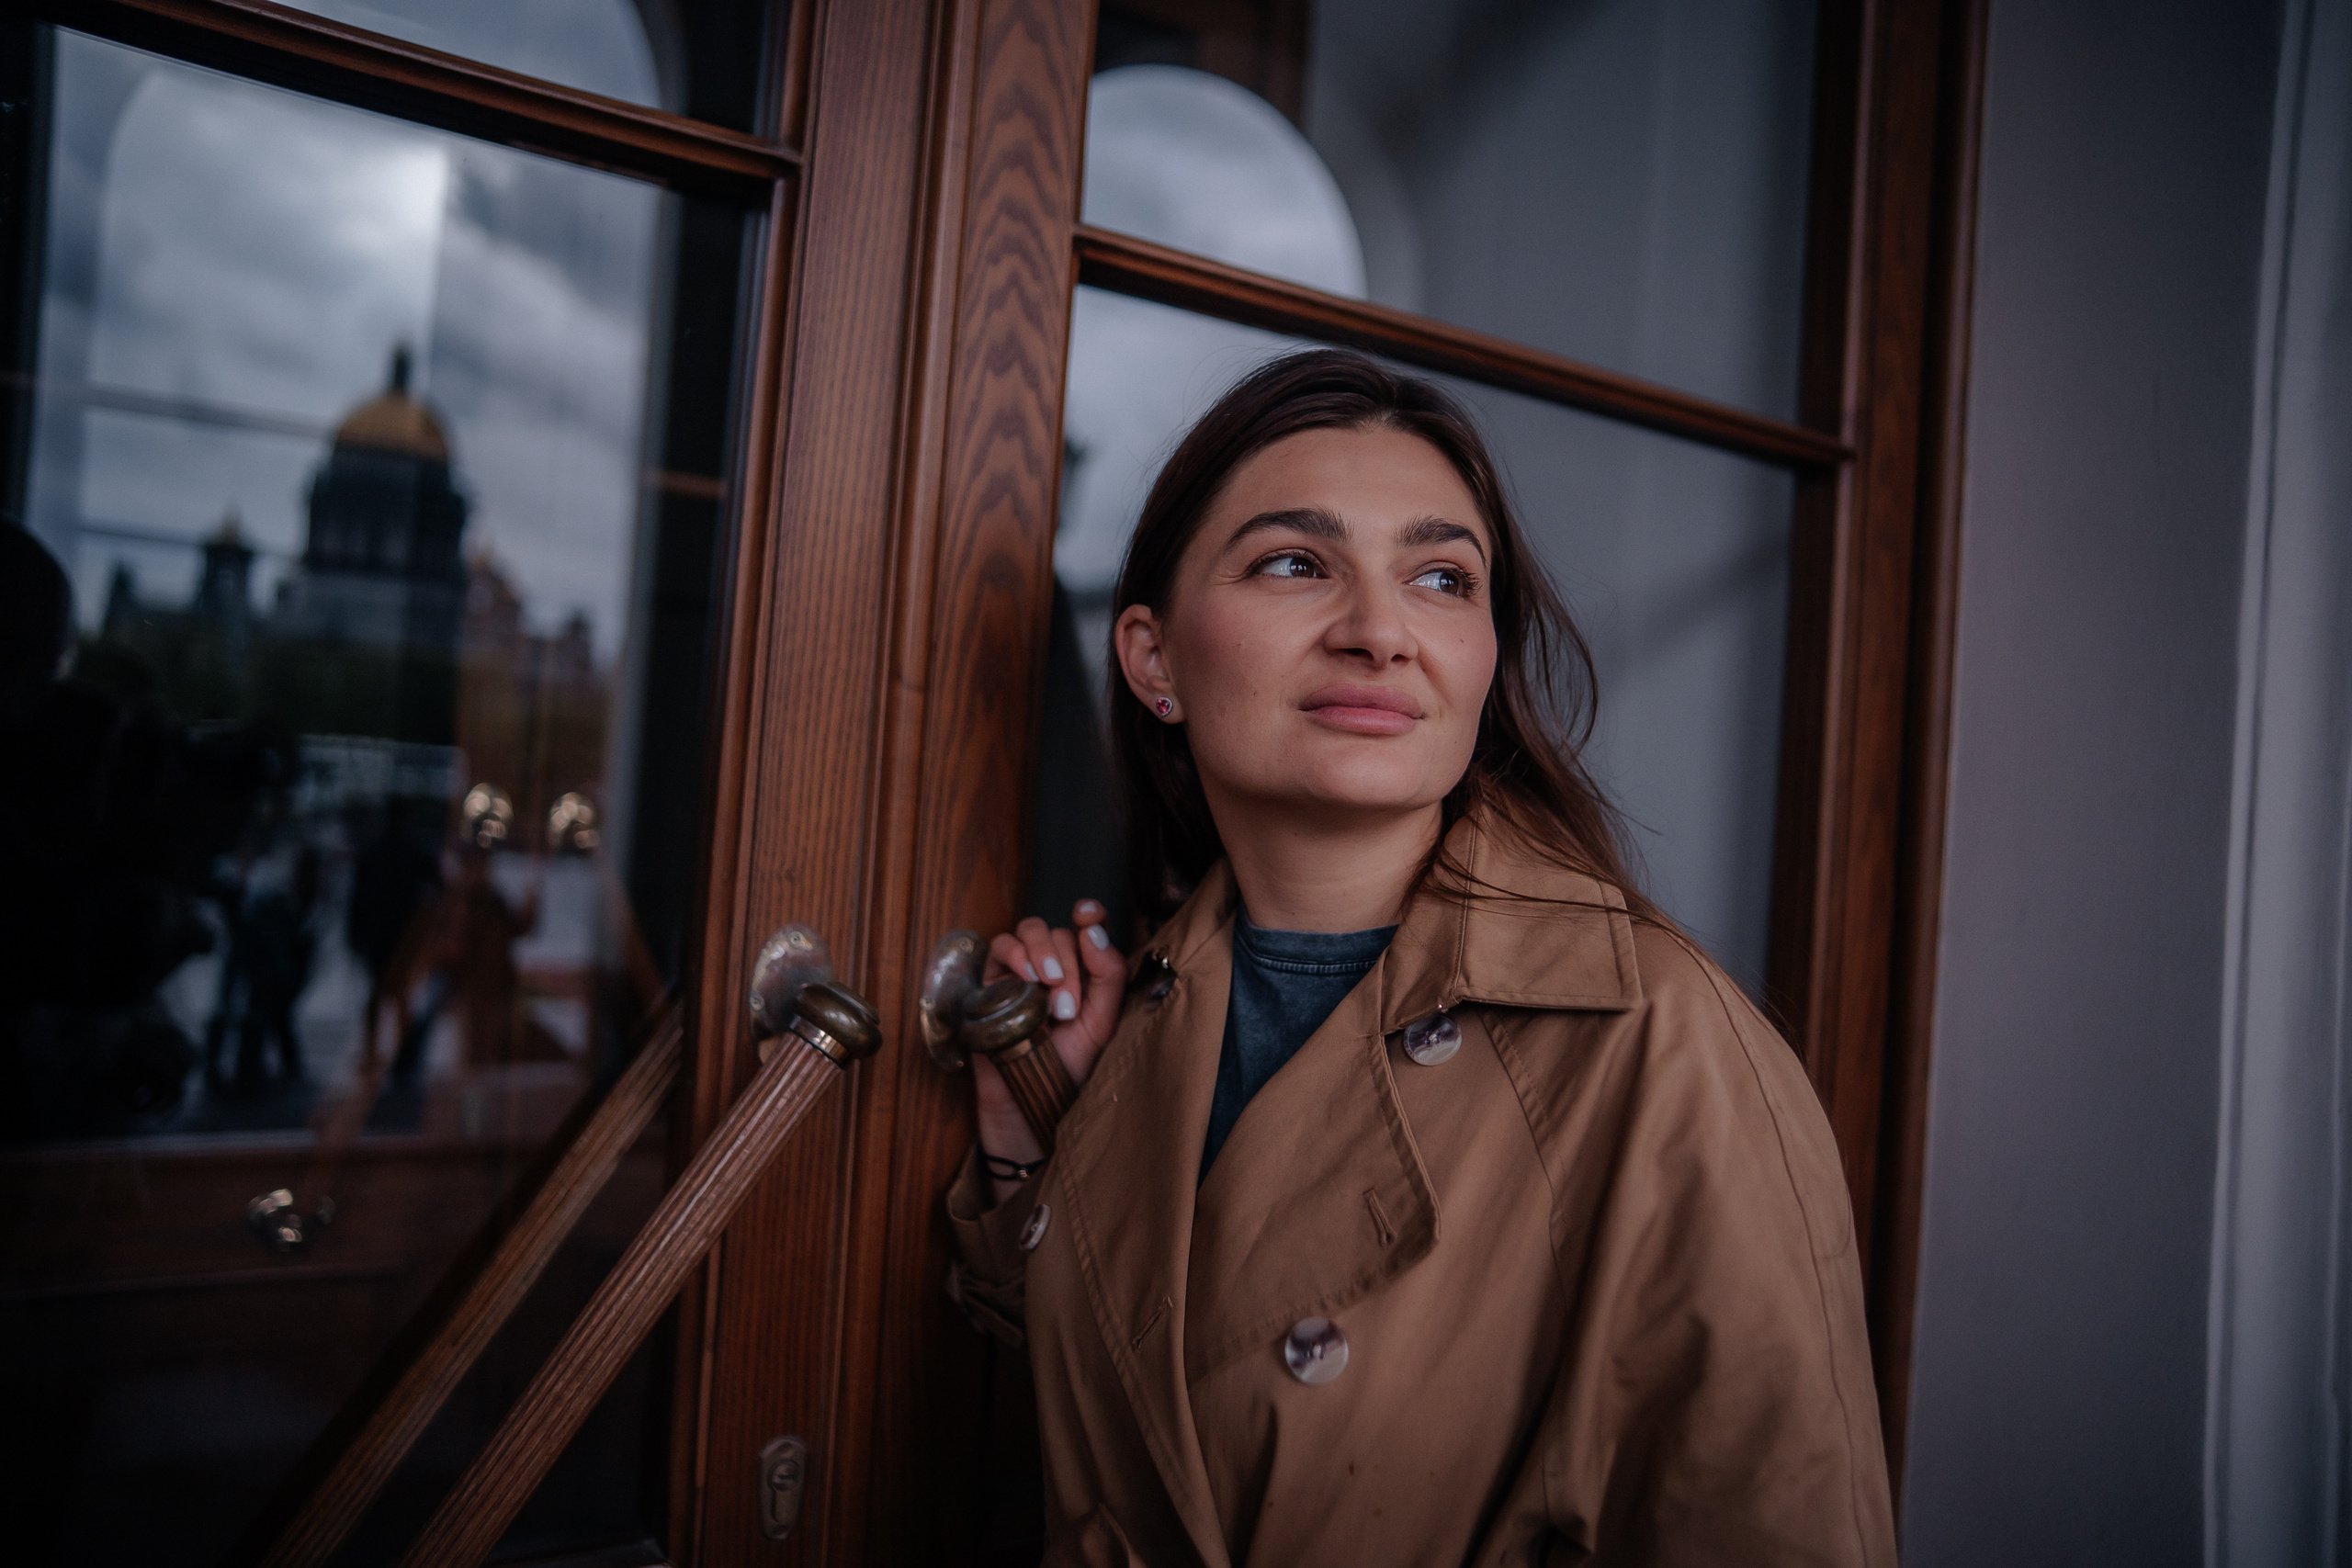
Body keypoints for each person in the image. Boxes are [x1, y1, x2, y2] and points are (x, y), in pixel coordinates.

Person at [943, 351, 1896, 1565]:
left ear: (1484, 666)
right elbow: (1152, 1431)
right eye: (1296, 563)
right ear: (1153, 660)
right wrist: (1035, 1148)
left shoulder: (1663, 1044)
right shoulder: (1142, 1020)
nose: (1381, 632)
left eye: (1441, 578)